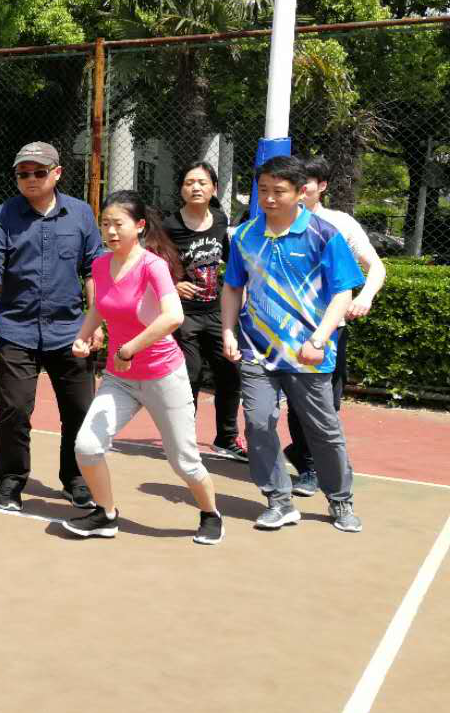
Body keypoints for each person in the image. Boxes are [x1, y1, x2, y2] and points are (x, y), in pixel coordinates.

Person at [63, 191, 224, 544]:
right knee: (87, 447)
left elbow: (173, 316)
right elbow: (100, 307)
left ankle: (210, 514)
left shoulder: (153, 266)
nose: (110, 231)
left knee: (183, 461)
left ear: (138, 226)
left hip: (163, 375)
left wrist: (130, 348)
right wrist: (83, 336)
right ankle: (106, 515)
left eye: (118, 224)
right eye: (105, 224)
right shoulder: (101, 265)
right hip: (120, 379)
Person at [222, 155, 366, 533]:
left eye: (279, 191)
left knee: (322, 429)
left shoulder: (324, 234)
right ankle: (278, 500)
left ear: (301, 192)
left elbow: (343, 293)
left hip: (309, 354)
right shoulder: (245, 235)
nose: (269, 198)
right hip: (257, 349)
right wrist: (228, 332)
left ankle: (340, 499)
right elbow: (233, 286)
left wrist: (319, 338)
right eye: (263, 190)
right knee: (257, 423)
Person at [0, 142, 104, 513]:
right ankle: (11, 481)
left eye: (39, 172)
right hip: (18, 328)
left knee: (80, 410)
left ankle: (76, 480)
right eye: (23, 173)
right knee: (13, 409)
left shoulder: (80, 214)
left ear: (57, 173)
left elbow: (94, 269)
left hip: (70, 330)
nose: (31, 178)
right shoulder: (2, 216)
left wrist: (95, 322)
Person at [282, 155, 386, 497]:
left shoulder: (340, 224)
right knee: (296, 401)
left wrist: (365, 296)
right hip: (288, 327)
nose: (299, 189)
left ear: (322, 186)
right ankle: (308, 466)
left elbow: (376, 266)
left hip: (330, 329)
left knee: (328, 402)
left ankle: (316, 458)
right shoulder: (277, 220)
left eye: (307, 183)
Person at [162, 162, 247, 462]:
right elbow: (151, 265)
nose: (195, 187)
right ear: (181, 189)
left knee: (230, 372)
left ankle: (226, 438)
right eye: (189, 182)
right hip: (183, 314)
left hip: (216, 312)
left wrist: (241, 292)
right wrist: (173, 285)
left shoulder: (220, 220)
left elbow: (231, 261)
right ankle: (183, 442)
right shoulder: (169, 225)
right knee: (190, 375)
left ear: (214, 188)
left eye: (202, 182)